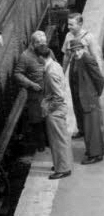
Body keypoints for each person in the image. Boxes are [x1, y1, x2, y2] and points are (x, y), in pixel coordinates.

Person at [61, 11, 102, 138]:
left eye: (71, 24)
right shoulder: (68, 36)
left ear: (80, 24)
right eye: (68, 24)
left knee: (90, 103)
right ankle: (82, 129)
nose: (69, 27)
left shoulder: (89, 37)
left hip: (87, 74)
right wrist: (62, 73)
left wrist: (99, 77)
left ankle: (97, 131)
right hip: (74, 72)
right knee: (76, 100)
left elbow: (97, 57)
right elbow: (67, 56)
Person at [67, 38, 104, 163]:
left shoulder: (87, 59)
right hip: (82, 99)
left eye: (79, 50)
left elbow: (99, 79)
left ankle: (95, 155)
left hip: (89, 99)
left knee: (92, 128)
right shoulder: (75, 60)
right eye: (74, 51)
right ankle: (93, 151)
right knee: (89, 128)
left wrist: (95, 94)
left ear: (83, 48)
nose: (76, 53)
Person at [13, 30, 48, 151]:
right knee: (37, 120)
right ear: (33, 43)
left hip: (48, 92)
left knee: (49, 118)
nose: (43, 46)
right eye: (40, 43)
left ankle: (49, 142)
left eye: (44, 43)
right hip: (36, 94)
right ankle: (41, 145)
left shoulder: (47, 51)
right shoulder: (25, 56)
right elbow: (17, 74)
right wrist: (31, 84)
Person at [42, 50, 73, 179]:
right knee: (62, 138)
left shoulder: (50, 72)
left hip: (55, 109)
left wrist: (48, 109)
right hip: (59, 108)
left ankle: (63, 169)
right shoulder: (56, 65)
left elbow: (58, 96)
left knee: (58, 139)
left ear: (40, 58)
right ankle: (63, 164)